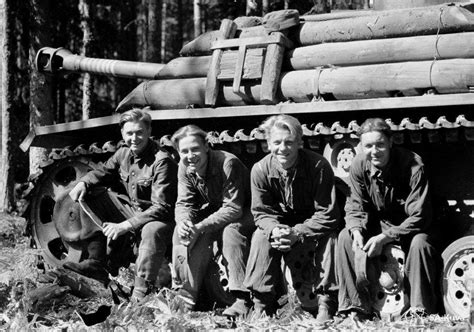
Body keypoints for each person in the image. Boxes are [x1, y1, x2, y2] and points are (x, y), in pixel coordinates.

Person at [67, 108, 178, 300]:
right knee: (91, 193)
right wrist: (83, 182)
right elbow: (102, 172)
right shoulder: (123, 154)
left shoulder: (161, 162)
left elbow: (161, 208)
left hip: (161, 219)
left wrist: (124, 226)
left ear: (149, 131)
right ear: (122, 134)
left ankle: (141, 292)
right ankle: (97, 261)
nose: (134, 138)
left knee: (151, 230)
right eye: (129, 133)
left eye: (139, 132)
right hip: (133, 213)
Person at [337, 117, 439, 320]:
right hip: (381, 223)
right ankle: (355, 307)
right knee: (345, 237)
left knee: (420, 244)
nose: (374, 151)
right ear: (360, 146)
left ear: (390, 142)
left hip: (413, 226)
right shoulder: (359, 164)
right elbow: (354, 204)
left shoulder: (412, 165)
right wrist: (356, 230)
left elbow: (419, 216)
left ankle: (420, 310)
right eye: (368, 146)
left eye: (380, 144)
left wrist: (384, 238)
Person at [243, 115, 340, 321]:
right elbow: (261, 212)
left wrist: (298, 232)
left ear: (299, 143)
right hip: (280, 226)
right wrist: (275, 229)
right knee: (261, 237)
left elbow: (328, 213)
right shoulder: (260, 170)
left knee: (330, 238)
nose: (282, 148)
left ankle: (325, 303)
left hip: (312, 223)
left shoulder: (318, 166)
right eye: (277, 142)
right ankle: (262, 304)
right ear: (268, 144)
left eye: (289, 142)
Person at [171, 125, 255, 316]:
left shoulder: (227, 163)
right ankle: (185, 294)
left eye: (195, 149)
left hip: (249, 209)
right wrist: (184, 222)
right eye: (184, 151)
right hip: (219, 208)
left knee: (229, 232)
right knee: (181, 232)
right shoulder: (184, 167)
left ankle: (242, 298)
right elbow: (184, 203)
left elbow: (233, 208)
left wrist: (200, 227)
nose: (190, 155)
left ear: (206, 147)